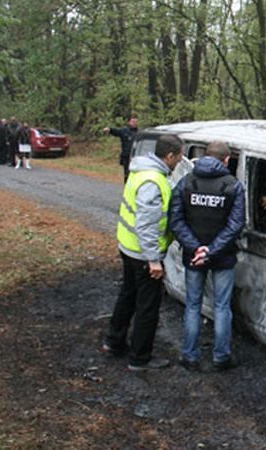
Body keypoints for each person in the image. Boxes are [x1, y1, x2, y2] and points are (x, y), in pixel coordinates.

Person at [102, 134, 184, 371]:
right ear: (170, 156)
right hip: (142, 254)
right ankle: (140, 358)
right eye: (179, 156)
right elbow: (146, 224)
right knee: (148, 305)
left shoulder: (141, 171)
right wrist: (154, 260)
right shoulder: (153, 181)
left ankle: (113, 342)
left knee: (127, 295)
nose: (180, 161)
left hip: (128, 247)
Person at [169, 141, 245, 372]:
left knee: (193, 305)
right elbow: (235, 226)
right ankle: (221, 357)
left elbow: (176, 219)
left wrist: (196, 248)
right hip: (222, 257)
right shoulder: (233, 185)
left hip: (194, 257)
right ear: (226, 160)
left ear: (204, 157)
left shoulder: (186, 182)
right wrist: (211, 250)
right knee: (222, 307)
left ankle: (189, 356)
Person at [103, 116, 139, 182]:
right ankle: (127, 189)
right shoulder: (124, 131)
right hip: (126, 156)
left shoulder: (139, 133)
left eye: (136, 122)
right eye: (133, 122)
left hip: (136, 157)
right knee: (127, 174)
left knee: (135, 174)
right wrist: (109, 130)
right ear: (129, 122)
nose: (134, 123)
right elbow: (117, 132)